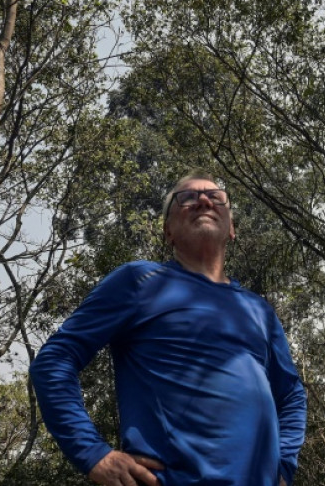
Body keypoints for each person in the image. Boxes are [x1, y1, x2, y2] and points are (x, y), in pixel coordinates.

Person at [30, 172, 307, 486]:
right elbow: (56, 359)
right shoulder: (139, 281)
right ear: (168, 231)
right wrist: (92, 453)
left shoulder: (259, 310)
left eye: (216, 197)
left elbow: (291, 395)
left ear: (231, 228)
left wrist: (283, 467)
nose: (203, 200)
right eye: (187, 198)